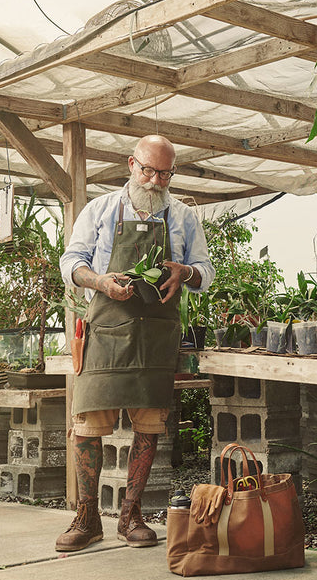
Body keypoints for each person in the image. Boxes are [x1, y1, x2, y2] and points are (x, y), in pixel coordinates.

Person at [56, 134, 214, 551]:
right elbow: (71, 261)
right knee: (87, 425)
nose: (155, 180)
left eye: (165, 173)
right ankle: (87, 516)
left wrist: (186, 273)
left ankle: (131, 514)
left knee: (149, 428)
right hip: (106, 332)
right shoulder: (101, 210)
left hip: (156, 335)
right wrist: (99, 281)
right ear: (131, 164)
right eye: (148, 170)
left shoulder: (182, 217)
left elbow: (205, 270)